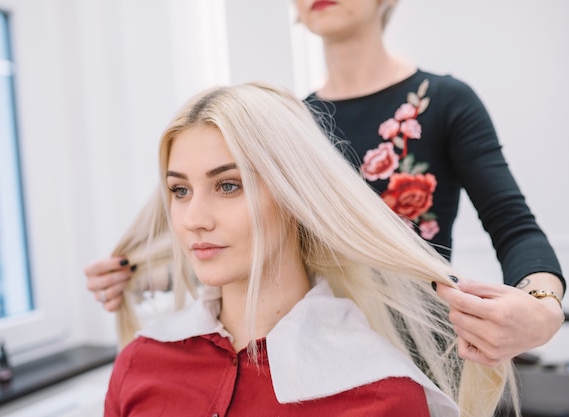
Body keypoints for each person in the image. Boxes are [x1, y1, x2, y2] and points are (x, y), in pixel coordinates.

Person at [86, 0, 565, 367]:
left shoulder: (443, 102)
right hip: (313, 362)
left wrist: (543, 309)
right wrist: (148, 274)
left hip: (424, 363)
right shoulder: (287, 126)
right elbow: (264, 249)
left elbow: (514, 227)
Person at [103, 81, 516, 417]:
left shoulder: (380, 395)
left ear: (294, 196)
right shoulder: (140, 364)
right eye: (179, 190)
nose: (194, 218)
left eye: (228, 185)